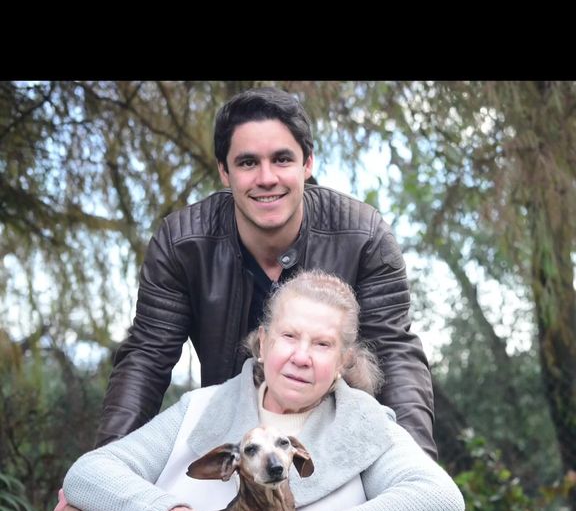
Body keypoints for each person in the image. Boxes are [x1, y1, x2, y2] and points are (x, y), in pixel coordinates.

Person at [63, 271, 464, 511]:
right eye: (289, 336)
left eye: (322, 344)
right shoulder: (200, 408)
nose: (301, 356)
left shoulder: (368, 425)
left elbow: (441, 500)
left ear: (344, 360)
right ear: (264, 342)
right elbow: (88, 473)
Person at [94, 86, 436, 458]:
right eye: (247, 163)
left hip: (340, 445)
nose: (266, 177)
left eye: (282, 159)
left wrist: (416, 469)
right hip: (232, 446)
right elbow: (146, 358)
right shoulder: (181, 244)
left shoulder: (363, 236)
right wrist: (106, 467)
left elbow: (395, 353)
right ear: (224, 171)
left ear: (308, 164)